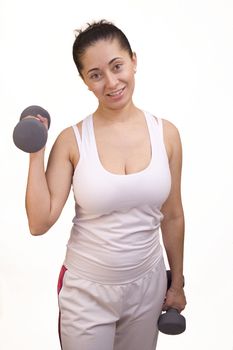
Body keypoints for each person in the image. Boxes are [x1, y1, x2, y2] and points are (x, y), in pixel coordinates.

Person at [25, 20, 186, 350]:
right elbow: (39, 223)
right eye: (96, 74)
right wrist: (35, 153)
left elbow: (172, 215)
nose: (111, 82)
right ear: (85, 81)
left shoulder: (166, 134)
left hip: (148, 285)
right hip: (88, 291)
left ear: (134, 61)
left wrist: (178, 281)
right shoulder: (72, 141)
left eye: (117, 66)